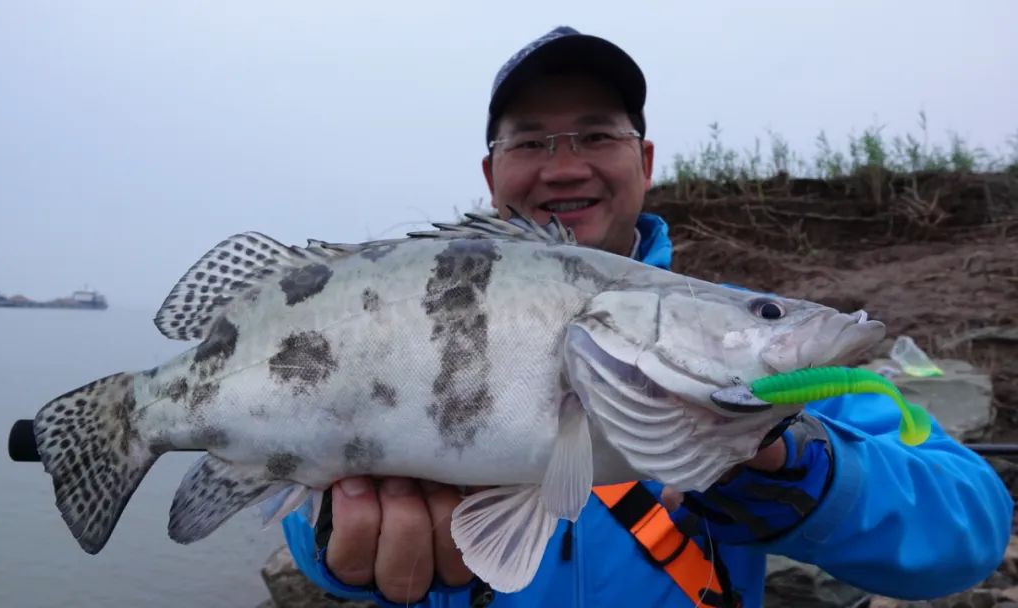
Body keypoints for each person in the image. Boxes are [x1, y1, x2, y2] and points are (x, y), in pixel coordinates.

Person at [281, 26, 1014, 607]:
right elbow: (290, 445)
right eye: (530, 141)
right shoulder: (406, 310)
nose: (565, 166)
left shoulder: (758, 375)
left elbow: (970, 529)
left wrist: (796, 467)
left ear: (646, 160)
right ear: (490, 173)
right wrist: (331, 539)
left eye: (598, 135)